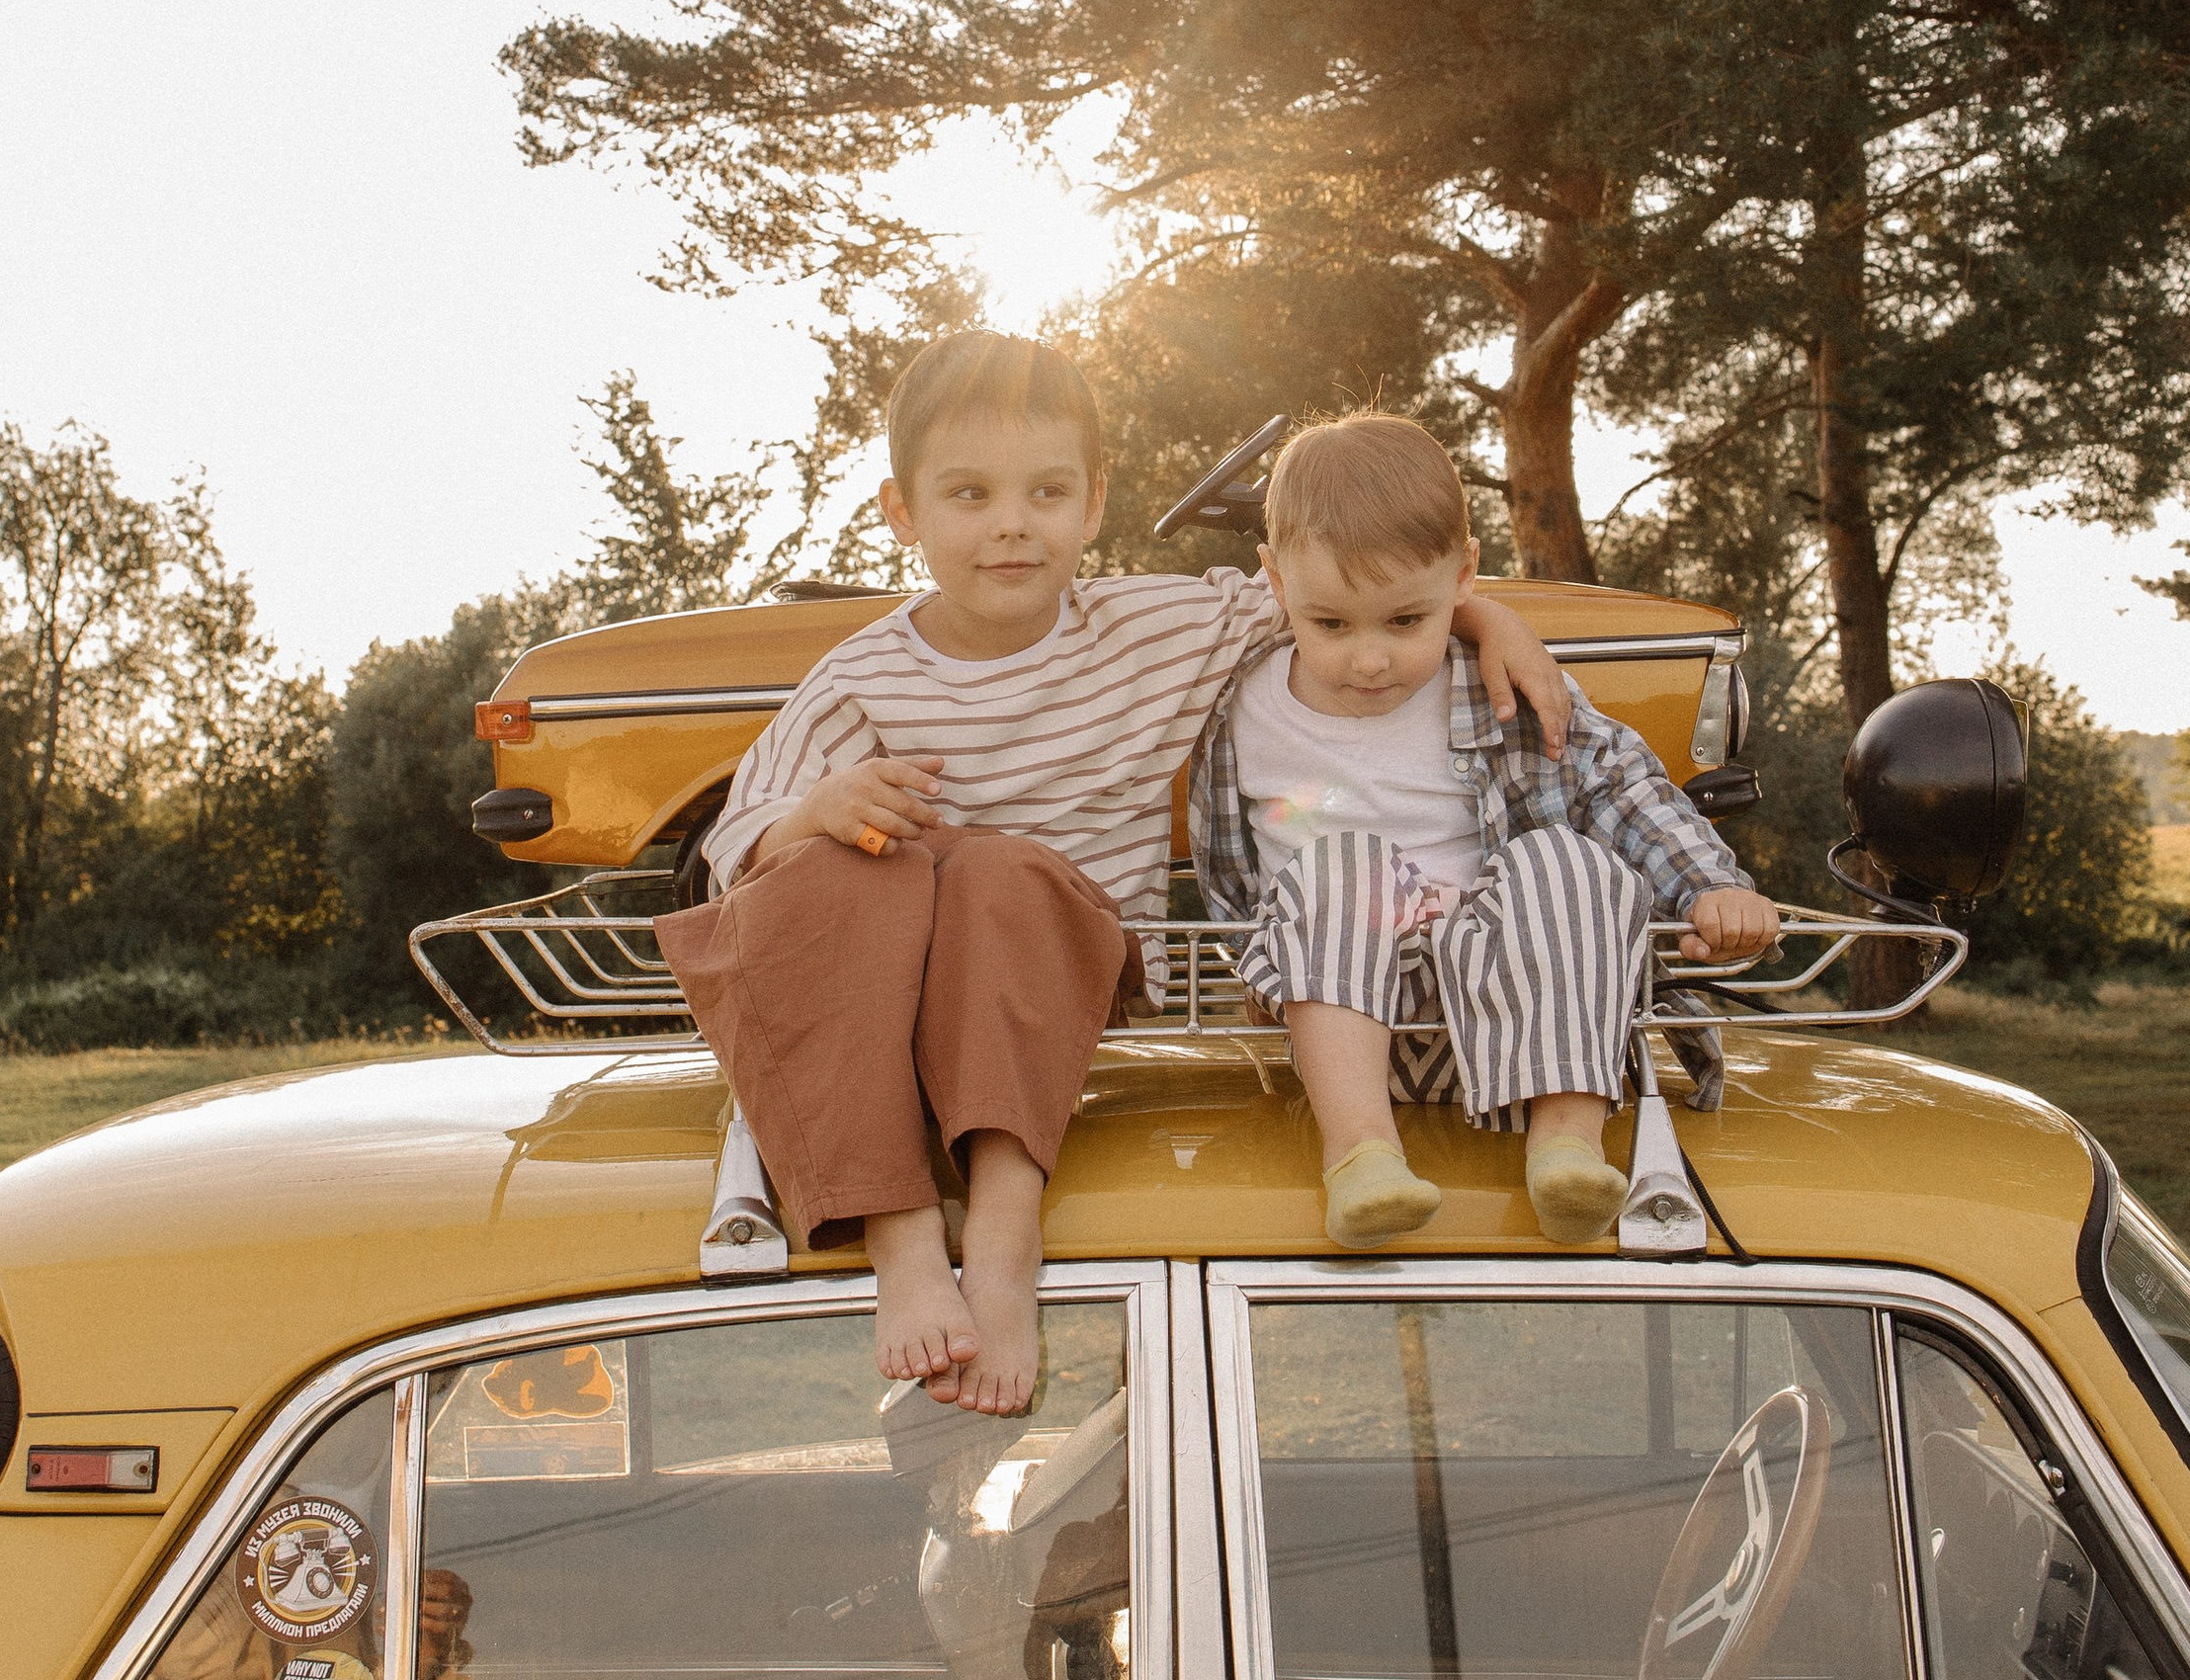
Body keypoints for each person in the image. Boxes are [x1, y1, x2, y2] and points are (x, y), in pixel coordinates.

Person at [653, 333, 1573, 1414]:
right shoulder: (861, 675)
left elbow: (1349, 584)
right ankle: (900, 1240)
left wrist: (1483, 613)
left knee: (996, 874)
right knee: (833, 871)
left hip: (1068, 976)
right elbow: (733, 844)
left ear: (1092, 504)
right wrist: (813, 812)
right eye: (968, 494)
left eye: (1046, 491)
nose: (1010, 523)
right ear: (901, 512)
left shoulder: (1156, 627)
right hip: (896, 1002)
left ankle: (1001, 1232)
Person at [1188, 412, 1779, 1251]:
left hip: (1517, 1023)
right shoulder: (1240, 702)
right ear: (1275, 583)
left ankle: (1567, 1145)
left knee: (1568, 857)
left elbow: (1620, 783)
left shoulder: (1498, 688)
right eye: (1331, 625)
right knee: (1337, 863)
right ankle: (1360, 1157)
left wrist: (1712, 885)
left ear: (1465, 574)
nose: (1369, 660)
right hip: (1346, 1031)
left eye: (1404, 622)